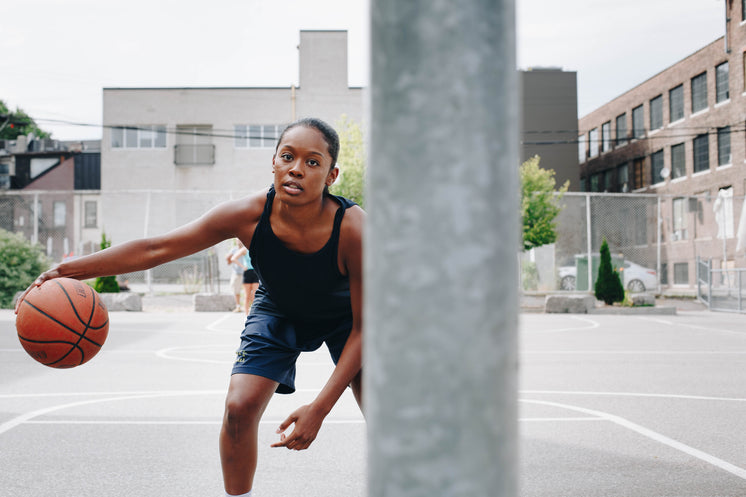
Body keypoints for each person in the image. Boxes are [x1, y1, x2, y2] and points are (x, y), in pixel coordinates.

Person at [15, 117, 365, 497]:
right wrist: (68, 270)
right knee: (239, 409)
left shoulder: (353, 229)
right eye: (287, 156)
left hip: (348, 318)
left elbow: (367, 328)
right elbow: (155, 249)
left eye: (312, 162)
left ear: (331, 175)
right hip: (278, 308)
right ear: (274, 163)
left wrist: (320, 408)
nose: (297, 168)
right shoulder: (246, 215)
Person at [228, 243, 260, 315]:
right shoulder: (244, 249)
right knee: (247, 295)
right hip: (247, 272)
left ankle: (255, 313)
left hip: (255, 273)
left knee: (255, 294)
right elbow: (233, 258)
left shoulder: (256, 248)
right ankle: (246, 315)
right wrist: (242, 267)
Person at [226, 239, 247, 312]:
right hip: (236, 272)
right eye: (238, 240)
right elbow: (229, 259)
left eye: (240, 240)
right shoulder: (233, 250)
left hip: (245, 272)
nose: (239, 241)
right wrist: (228, 260)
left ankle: (246, 306)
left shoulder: (246, 249)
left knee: (246, 291)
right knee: (236, 290)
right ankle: (238, 306)